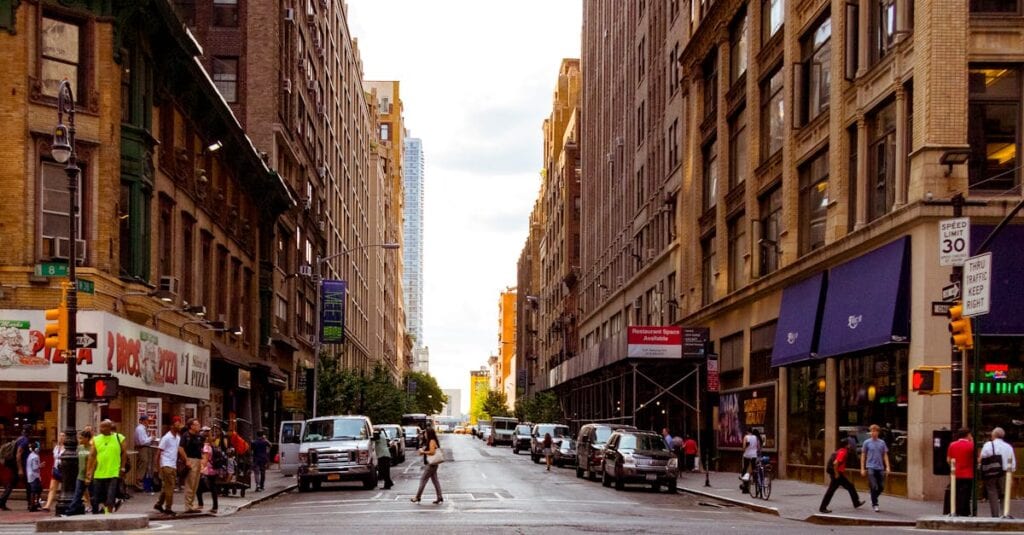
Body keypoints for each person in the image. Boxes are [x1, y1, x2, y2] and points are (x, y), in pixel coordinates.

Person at [86, 419, 127, 514]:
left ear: (110, 428)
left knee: (110, 497)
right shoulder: (96, 440)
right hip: (99, 473)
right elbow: (92, 456)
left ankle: (108, 514)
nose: (101, 429)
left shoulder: (119, 437)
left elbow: (124, 453)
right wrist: (89, 471)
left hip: (113, 472)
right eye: (100, 427)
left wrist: (122, 467)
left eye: (104, 427)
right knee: (97, 498)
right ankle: (101, 513)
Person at [978, 426, 1017, 518]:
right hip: (1005, 473)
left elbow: (982, 457)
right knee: (1004, 493)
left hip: (991, 472)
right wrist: (1011, 475)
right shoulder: (1008, 447)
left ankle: (995, 515)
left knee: (992, 493)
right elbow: (1013, 463)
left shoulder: (988, 445)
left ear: (993, 435)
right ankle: (1005, 513)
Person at [819, 438, 865, 513]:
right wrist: (836, 474)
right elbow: (835, 463)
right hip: (837, 474)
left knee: (849, 486)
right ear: (846, 445)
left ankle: (856, 503)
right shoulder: (843, 452)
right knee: (832, 491)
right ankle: (822, 508)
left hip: (837, 473)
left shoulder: (840, 450)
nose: (850, 445)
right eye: (849, 444)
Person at [154, 417, 184, 515]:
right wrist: (158, 468)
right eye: (177, 424)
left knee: (166, 486)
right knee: (170, 487)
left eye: (180, 424)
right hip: (166, 464)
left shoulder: (178, 438)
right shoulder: (166, 438)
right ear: (172, 426)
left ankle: (159, 504)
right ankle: (168, 508)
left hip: (173, 465)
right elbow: (158, 453)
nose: (179, 426)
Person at [860, 424, 891, 513]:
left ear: (878, 432)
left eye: (875, 431)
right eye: (872, 431)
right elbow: (863, 455)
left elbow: (885, 455)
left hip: (880, 467)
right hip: (870, 466)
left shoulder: (882, 443)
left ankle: (873, 496)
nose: (873, 433)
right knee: (874, 485)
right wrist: (862, 468)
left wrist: (888, 466)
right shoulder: (867, 442)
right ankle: (875, 504)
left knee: (881, 487)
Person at [0, 426, 31, 511]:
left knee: (12, 483)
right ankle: (30, 504)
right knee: (29, 484)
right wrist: (20, 469)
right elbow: (18, 455)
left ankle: (2, 501)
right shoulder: (25, 440)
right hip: (19, 466)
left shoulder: (19, 438)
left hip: (15, 466)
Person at [947, 427, 974, 517]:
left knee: (957, 492)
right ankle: (965, 511)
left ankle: (957, 509)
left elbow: (948, 459)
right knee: (966, 493)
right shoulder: (971, 445)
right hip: (968, 473)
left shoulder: (952, 445)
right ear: (968, 435)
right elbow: (975, 458)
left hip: (956, 473)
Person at [411, 429, 443, 504]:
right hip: (433, 464)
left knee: (423, 479)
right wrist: (423, 451)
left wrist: (423, 452)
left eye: (425, 433)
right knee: (435, 481)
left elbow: (432, 452)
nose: (424, 435)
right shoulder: (430, 441)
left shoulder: (432, 441)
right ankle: (439, 497)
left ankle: (417, 497)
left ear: (429, 433)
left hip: (431, 464)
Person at [65, 430, 93, 516]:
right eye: (79, 438)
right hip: (80, 475)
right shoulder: (79, 448)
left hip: (90, 476)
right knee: (77, 494)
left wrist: (90, 474)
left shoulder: (92, 448)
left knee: (94, 495)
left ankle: (96, 510)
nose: (79, 440)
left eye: (81, 438)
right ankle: (70, 512)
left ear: (87, 438)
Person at [181, 419, 204, 513]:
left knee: (195, 483)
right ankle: (188, 506)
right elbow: (180, 448)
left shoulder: (198, 436)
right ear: (191, 426)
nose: (199, 426)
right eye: (197, 424)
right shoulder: (186, 436)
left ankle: (191, 504)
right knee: (190, 483)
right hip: (191, 459)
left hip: (198, 460)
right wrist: (186, 460)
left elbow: (201, 448)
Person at [42, 432, 66, 512]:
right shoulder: (56, 447)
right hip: (56, 469)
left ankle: (87, 504)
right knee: (52, 488)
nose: (61, 437)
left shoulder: (68, 447)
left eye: (63, 436)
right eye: (60, 435)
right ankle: (47, 505)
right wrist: (53, 468)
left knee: (67, 489)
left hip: (64, 470)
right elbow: (54, 459)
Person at [198, 428, 220, 514]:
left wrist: (201, 467)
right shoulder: (212, 445)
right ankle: (215, 506)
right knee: (212, 487)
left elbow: (205, 459)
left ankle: (201, 504)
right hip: (213, 469)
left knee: (200, 487)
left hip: (208, 469)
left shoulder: (206, 447)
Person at [134, 415, 156, 491]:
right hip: (142, 448)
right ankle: (138, 481)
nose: (148, 422)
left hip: (145, 448)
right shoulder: (140, 429)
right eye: (148, 421)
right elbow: (142, 441)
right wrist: (151, 438)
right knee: (143, 463)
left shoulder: (143, 429)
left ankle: (142, 482)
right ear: (143, 421)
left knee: (145, 464)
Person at [25, 442, 42, 512]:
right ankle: (33, 506)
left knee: (36, 490)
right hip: (34, 476)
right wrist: (40, 465)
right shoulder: (35, 456)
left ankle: (34, 504)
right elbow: (35, 467)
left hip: (30, 475)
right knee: (35, 491)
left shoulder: (30, 455)